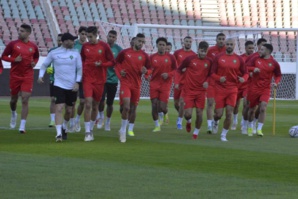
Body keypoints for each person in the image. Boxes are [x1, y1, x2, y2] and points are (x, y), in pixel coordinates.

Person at [38, 33, 82, 142]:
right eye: (72, 40)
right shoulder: (54, 53)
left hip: (71, 86)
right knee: (59, 108)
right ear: (65, 41)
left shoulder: (76, 53)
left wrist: (77, 82)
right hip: (58, 85)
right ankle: (58, 134)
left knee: (69, 110)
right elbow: (44, 65)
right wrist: (40, 76)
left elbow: (80, 69)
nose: (73, 42)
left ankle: (64, 126)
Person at [1, 24, 39, 133]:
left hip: (27, 75)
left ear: (28, 33)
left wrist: (34, 63)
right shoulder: (13, 44)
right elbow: (3, 56)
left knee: (25, 99)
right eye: (20, 30)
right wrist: (14, 59)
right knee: (13, 100)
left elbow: (36, 57)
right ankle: (13, 113)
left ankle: (22, 126)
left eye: (22, 31)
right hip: (15, 76)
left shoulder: (33, 46)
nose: (20, 32)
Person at [80, 26, 115, 142]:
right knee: (88, 104)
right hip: (88, 79)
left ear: (96, 35)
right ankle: (87, 132)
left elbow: (112, 61)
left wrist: (103, 64)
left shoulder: (104, 46)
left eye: (90, 37)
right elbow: (82, 60)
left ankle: (91, 129)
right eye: (87, 37)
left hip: (100, 81)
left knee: (95, 105)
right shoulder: (85, 47)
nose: (88, 39)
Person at [115, 33, 151, 143]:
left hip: (137, 85)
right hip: (125, 83)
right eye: (139, 41)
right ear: (134, 41)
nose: (141, 43)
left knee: (132, 108)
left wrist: (146, 73)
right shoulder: (124, 53)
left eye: (143, 42)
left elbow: (149, 69)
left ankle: (129, 128)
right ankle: (123, 131)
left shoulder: (144, 56)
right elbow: (117, 64)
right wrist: (120, 73)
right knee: (126, 107)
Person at [211, 38, 248, 141]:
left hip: (232, 89)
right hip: (220, 89)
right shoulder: (218, 57)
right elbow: (212, 73)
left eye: (231, 44)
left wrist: (243, 79)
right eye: (227, 44)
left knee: (229, 113)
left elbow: (246, 73)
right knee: (218, 114)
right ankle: (215, 122)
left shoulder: (239, 59)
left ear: (234, 45)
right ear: (225, 45)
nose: (229, 46)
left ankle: (223, 134)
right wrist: (219, 78)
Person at [176, 41, 212, 139]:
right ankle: (188, 121)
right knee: (187, 114)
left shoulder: (209, 62)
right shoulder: (189, 59)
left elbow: (210, 75)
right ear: (198, 50)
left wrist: (207, 81)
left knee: (200, 113)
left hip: (201, 92)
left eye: (205, 51)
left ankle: (195, 133)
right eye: (202, 51)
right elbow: (179, 70)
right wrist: (177, 82)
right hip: (189, 91)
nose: (203, 53)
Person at [246, 43, 281, 137]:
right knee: (252, 109)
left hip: (265, 88)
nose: (259, 51)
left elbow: (278, 75)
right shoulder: (255, 59)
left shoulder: (274, 63)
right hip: (254, 88)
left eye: (262, 50)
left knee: (263, 107)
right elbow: (246, 67)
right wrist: (253, 69)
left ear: (268, 51)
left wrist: (276, 82)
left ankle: (259, 129)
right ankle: (250, 126)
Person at [147, 37, 176, 132]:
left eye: (163, 45)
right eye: (160, 45)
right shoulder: (152, 57)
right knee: (154, 105)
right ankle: (156, 125)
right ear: (157, 45)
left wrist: (168, 74)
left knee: (162, 107)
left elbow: (176, 70)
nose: (162, 47)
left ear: (166, 46)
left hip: (165, 85)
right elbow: (149, 69)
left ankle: (165, 113)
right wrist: (146, 75)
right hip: (154, 84)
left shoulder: (171, 57)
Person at [97, 30, 123, 131]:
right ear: (107, 36)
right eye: (110, 36)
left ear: (116, 38)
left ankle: (108, 122)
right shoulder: (102, 47)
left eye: (113, 37)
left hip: (113, 80)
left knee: (110, 103)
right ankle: (101, 118)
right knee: (101, 100)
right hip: (102, 78)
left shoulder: (119, 50)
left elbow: (120, 63)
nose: (111, 38)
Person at [243, 38, 268, 134]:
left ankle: (254, 123)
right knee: (248, 106)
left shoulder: (269, 58)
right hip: (250, 85)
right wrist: (250, 72)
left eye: (266, 45)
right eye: (262, 45)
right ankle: (245, 124)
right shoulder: (253, 57)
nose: (264, 47)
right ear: (258, 46)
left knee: (261, 107)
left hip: (263, 87)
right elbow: (244, 68)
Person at [231, 40, 254, 132]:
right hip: (238, 84)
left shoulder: (256, 58)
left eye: (252, 48)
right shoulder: (240, 58)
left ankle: (243, 123)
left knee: (246, 104)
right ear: (245, 48)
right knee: (235, 105)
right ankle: (235, 121)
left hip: (247, 86)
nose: (251, 50)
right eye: (249, 48)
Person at [173, 36, 196, 130]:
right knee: (176, 103)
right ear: (183, 42)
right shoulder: (177, 53)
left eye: (190, 41)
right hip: (178, 80)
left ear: (192, 42)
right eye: (186, 41)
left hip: (187, 82)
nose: (188, 43)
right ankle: (186, 115)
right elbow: (173, 66)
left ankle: (179, 121)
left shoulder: (194, 55)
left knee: (182, 102)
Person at [206, 33, 226, 134]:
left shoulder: (228, 51)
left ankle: (216, 121)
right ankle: (209, 125)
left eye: (223, 39)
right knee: (210, 102)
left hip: (222, 82)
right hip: (211, 80)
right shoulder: (210, 50)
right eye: (219, 39)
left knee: (219, 110)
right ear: (216, 39)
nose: (221, 41)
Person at [69, 26, 88, 133]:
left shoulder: (89, 46)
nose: (84, 36)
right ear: (79, 34)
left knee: (83, 101)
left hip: (84, 77)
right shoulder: (74, 45)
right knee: (71, 102)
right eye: (82, 34)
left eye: (85, 34)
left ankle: (77, 120)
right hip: (73, 76)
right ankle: (71, 123)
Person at [46, 33, 63, 127]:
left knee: (65, 102)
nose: (60, 42)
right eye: (58, 40)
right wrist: (49, 68)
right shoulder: (52, 51)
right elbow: (47, 62)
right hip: (54, 78)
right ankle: (52, 120)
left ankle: (65, 120)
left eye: (61, 40)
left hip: (64, 80)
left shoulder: (69, 52)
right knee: (53, 99)